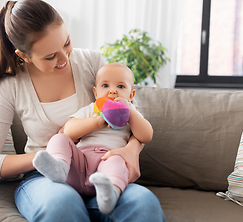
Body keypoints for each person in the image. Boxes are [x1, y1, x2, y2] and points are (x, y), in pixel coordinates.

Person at [0, 0, 165, 222]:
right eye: (50, 56)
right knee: (62, 205)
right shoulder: (11, 86)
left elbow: (129, 114)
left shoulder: (92, 62)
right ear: (24, 56)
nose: (65, 59)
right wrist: (50, 157)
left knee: (144, 205)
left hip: (103, 168)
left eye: (66, 43)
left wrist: (132, 149)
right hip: (47, 178)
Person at [33, 63, 153, 215]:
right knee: (59, 138)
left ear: (131, 95)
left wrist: (129, 111)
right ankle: (59, 167)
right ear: (96, 93)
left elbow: (146, 135)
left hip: (108, 160)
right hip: (80, 162)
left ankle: (111, 193)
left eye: (121, 87)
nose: (112, 91)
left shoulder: (132, 114)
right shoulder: (91, 109)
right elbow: (69, 130)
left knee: (117, 161)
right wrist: (97, 121)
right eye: (105, 85)